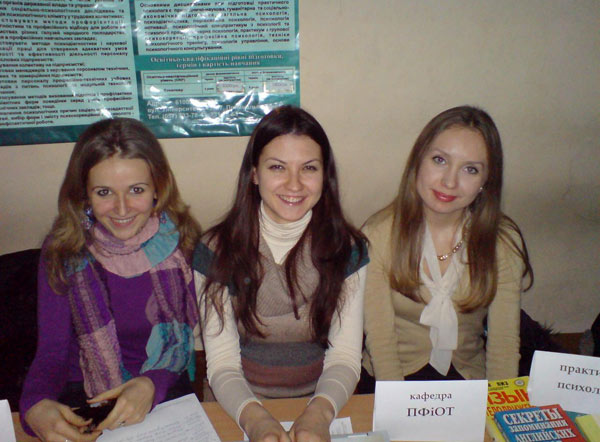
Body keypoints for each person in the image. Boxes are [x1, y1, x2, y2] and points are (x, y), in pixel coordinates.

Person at [193, 105, 368, 442]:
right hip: (236, 405)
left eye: (309, 168)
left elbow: (345, 357)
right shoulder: (216, 250)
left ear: (325, 175)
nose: (294, 184)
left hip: (325, 399)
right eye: (277, 167)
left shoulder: (348, 249)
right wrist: (257, 421)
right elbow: (223, 363)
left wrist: (318, 414)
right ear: (254, 173)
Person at [20, 118, 201, 441]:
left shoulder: (182, 241)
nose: (121, 209)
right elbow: (51, 353)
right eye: (104, 192)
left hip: (164, 384)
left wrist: (151, 384)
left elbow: (182, 344)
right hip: (88, 391)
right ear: (84, 195)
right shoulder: (63, 249)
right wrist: (34, 405)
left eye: (136, 190)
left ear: (157, 188)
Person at [362, 105, 533, 384]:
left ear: (485, 181)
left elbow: (503, 343)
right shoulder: (378, 234)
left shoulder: (502, 241)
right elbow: (380, 340)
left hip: (468, 376)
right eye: (439, 160)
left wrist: (499, 404)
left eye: (470, 169)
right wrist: (398, 403)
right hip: (392, 377)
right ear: (418, 160)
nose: (449, 182)